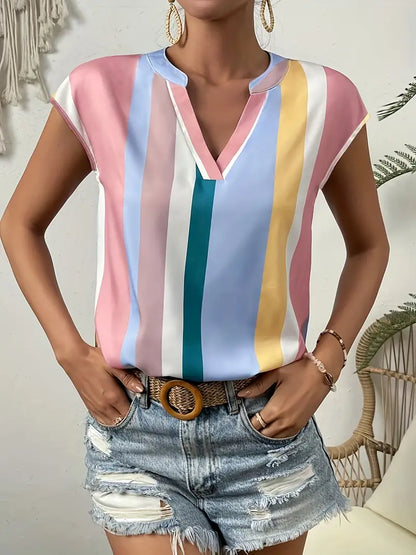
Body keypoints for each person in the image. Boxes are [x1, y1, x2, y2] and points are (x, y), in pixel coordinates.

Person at [0, 1, 390, 554]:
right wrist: (70, 353)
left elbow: (369, 246)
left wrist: (325, 365)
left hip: (267, 433)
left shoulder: (326, 97)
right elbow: (20, 223)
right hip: (137, 430)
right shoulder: (100, 90)